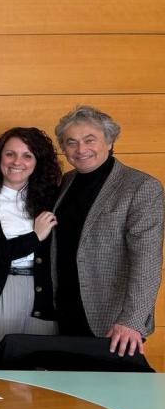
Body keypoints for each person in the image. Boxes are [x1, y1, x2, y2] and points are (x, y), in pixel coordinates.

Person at [52, 105, 164, 357]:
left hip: (114, 322)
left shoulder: (141, 187)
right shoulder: (66, 182)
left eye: (89, 140)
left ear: (110, 141)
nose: (81, 149)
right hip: (66, 311)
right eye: (71, 142)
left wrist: (132, 320)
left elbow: (147, 261)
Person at [0, 127, 61, 368]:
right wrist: (34, 237)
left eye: (27, 155)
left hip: (43, 295)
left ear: (38, 162)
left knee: (40, 373)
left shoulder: (53, 199)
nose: (17, 162)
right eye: (10, 154)